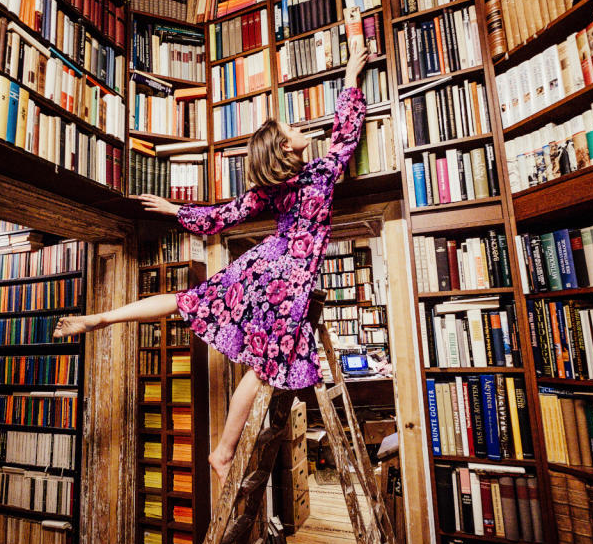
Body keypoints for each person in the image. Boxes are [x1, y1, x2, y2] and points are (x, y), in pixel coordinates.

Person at [53, 41, 369, 482]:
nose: (299, 127)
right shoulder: (322, 173)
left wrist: (175, 211)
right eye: (291, 127)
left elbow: (221, 217)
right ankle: (221, 453)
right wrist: (351, 77)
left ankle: (102, 319)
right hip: (289, 280)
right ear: (286, 147)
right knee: (261, 371)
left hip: (263, 267)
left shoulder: (272, 189)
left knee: (188, 301)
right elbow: (347, 134)